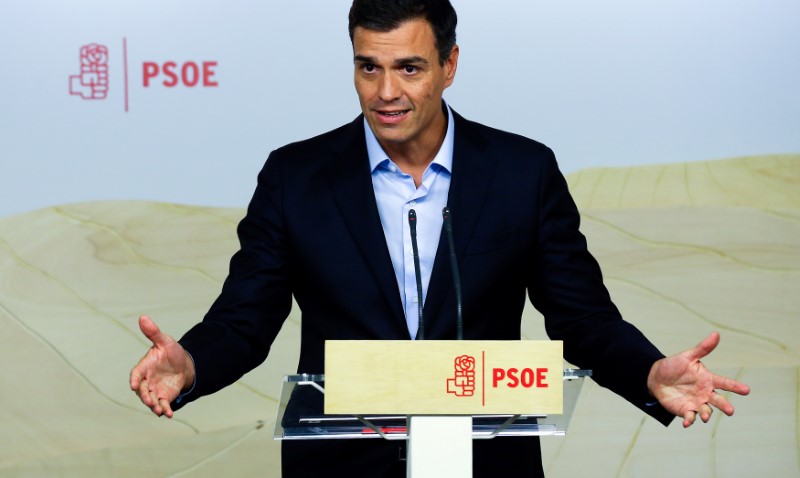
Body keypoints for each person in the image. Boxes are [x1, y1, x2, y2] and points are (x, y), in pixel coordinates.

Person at [130, 1, 750, 476]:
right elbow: (245, 320)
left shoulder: (521, 172)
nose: (386, 92)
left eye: (409, 68)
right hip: (343, 464)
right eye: (368, 67)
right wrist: (190, 366)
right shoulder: (296, 178)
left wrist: (647, 372)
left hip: (485, 461)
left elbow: (582, 316)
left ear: (450, 66)